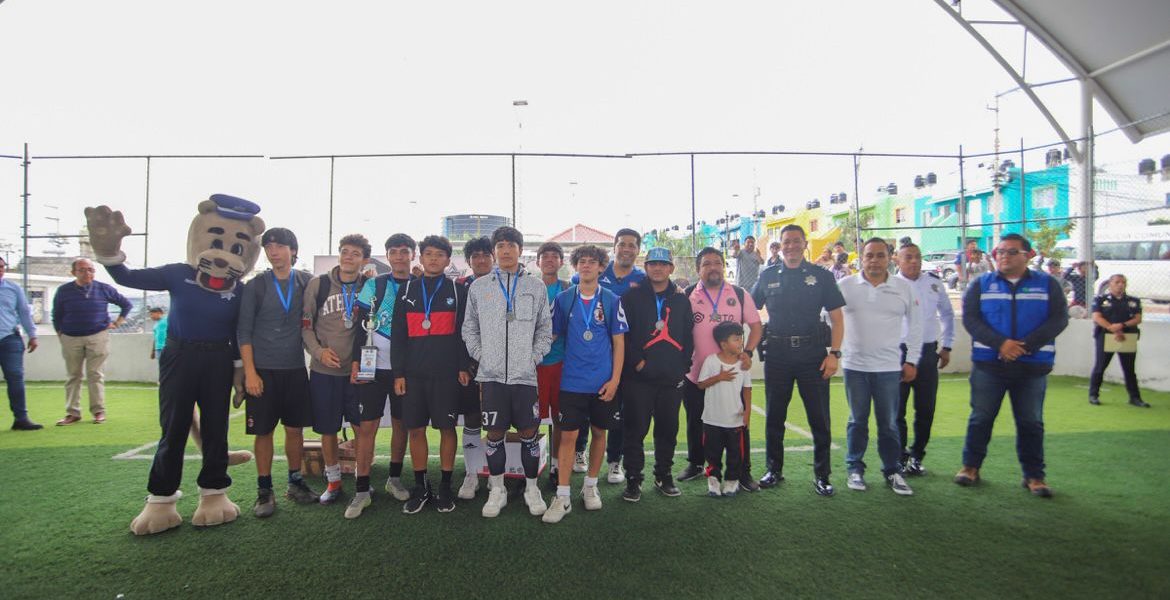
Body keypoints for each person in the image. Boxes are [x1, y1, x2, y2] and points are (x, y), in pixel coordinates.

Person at [956, 233, 1068, 498]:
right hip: (989, 366)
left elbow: (1058, 320)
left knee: (1031, 422)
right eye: (1000, 252)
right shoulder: (980, 284)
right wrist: (1001, 344)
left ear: (1027, 255)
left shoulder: (1047, 285)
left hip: (1032, 367)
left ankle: (1034, 476)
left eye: (1011, 252)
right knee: (980, 418)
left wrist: (1023, 347)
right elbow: (971, 320)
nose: (1004, 256)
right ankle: (970, 467)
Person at [462, 226, 553, 519]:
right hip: (491, 378)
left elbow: (545, 331)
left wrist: (532, 358)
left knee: (529, 433)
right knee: (495, 434)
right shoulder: (479, 287)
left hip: (525, 378)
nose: (505, 250)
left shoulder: (536, 287)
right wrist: (482, 356)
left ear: (519, 250)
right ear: (494, 251)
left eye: (511, 245)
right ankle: (497, 489)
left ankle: (531, 488)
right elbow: (469, 329)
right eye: (500, 245)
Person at [751, 224, 845, 496]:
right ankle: (773, 470)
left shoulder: (821, 276)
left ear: (805, 244)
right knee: (774, 418)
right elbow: (749, 308)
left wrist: (834, 354)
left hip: (812, 357)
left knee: (819, 419)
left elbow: (837, 319)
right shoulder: (767, 276)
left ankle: (823, 475)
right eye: (786, 242)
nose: (791, 246)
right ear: (780, 247)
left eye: (796, 241)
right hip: (778, 356)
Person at [236, 227, 318, 518]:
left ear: (293, 251)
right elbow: (243, 333)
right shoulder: (255, 285)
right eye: (269, 246)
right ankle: (264, 489)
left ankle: (295, 481)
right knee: (264, 432)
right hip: (263, 371)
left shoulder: (306, 282)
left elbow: (334, 291)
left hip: (295, 369)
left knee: (295, 430)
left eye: (280, 246)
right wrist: (250, 374)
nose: (274, 251)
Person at [543, 244, 628, 523]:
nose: (587, 266)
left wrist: (615, 380)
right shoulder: (566, 299)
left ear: (602, 267)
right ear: (576, 266)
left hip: (603, 383)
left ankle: (590, 487)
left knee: (599, 434)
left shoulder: (612, 299)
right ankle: (563, 495)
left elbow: (619, 342)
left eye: (593, 262)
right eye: (582, 261)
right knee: (568, 436)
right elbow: (551, 336)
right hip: (572, 382)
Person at [391, 235, 470, 515]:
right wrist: (398, 373)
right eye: (428, 254)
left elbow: (464, 334)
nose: (434, 259)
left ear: (449, 260)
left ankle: (446, 485)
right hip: (413, 375)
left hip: (446, 375)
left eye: (439, 254)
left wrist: (463, 367)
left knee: (447, 429)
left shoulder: (459, 292)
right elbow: (398, 336)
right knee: (415, 429)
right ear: (420, 258)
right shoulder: (406, 291)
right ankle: (421, 486)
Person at [837, 238, 921, 496]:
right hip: (855, 366)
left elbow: (916, 326)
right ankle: (855, 469)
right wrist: (834, 352)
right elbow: (829, 320)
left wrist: (911, 360)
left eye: (880, 255)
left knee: (889, 423)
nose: (874, 260)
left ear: (889, 258)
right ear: (861, 259)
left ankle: (892, 470)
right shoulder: (845, 286)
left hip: (888, 368)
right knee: (857, 421)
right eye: (869, 256)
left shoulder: (903, 288)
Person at [676, 247, 763, 492]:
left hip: (732, 377)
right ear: (698, 269)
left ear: (724, 266)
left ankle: (743, 472)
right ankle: (695, 463)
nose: (712, 267)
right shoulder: (688, 295)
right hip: (696, 374)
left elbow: (756, 328)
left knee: (738, 423)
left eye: (717, 262)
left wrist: (747, 353)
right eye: (706, 264)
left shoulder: (739, 293)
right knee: (696, 420)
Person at [619, 247, 693, 502]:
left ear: (671, 268)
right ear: (646, 266)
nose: (658, 268)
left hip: (671, 380)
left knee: (667, 430)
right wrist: (637, 363)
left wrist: (682, 367)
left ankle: (664, 475)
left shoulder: (681, 298)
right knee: (635, 430)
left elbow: (688, 334)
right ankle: (633, 479)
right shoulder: (631, 296)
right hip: (638, 379)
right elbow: (622, 336)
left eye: (663, 264)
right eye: (653, 264)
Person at [572, 228, 646, 484]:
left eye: (632, 245)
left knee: (618, 409)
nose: (626, 249)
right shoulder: (596, 272)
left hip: (626, 351)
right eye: (622, 244)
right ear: (614, 247)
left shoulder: (643, 278)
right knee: (584, 404)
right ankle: (580, 451)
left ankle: (615, 461)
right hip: (593, 353)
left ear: (638, 249)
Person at [301, 234, 370, 506]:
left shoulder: (368, 285)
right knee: (327, 429)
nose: (348, 257)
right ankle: (333, 481)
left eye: (355, 253)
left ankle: (362, 481)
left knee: (362, 429)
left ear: (364, 260)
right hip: (324, 371)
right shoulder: (318, 285)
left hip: (357, 373)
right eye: (344, 251)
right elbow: (305, 326)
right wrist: (318, 352)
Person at [350, 233, 415, 508]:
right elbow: (359, 325)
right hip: (372, 367)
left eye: (404, 251)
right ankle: (362, 489)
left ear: (413, 254)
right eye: (394, 252)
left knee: (402, 426)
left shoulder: (420, 285)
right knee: (367, 427)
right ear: (387, 256)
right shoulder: (374, 285)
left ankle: (394, 478)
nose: (399, 256)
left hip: (405, 369)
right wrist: (356, 361)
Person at [894, 243, 955, 476]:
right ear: (897, 260)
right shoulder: (890, 286)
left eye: (917, 257)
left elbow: (948, 314)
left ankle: (917, 456)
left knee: (926, 409)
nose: (914, 261)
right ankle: (899, 456)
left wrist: (947, 345)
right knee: (896, 410)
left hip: (927, 352)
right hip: (898, 352)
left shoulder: (933, 282)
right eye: (908, 257)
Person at [51, 257, 131, 425]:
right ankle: (72, 413)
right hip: (70, 337)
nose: (87, 273)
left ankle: (99, 411)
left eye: (91, 269)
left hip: (97, 336)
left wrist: (117, 322)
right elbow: (56, 314)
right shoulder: (64, 291)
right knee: (74, 375)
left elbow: (126, 304)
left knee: (95, 374)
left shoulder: (104, 289)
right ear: (73, 273)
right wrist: (60, 333)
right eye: (82, 270)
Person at [454, 236, 493, 499]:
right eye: (475, 256)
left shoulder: (505, 285)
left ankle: (493, 471)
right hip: (469, 364)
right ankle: (471, 473)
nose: (480, 260)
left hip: (500, 366)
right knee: (471, 417)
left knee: (496, 420)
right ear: (468, 260)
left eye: (485, 255)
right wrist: (462, 365)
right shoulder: (459, 288)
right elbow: (456, 331)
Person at [697, 321, 752, 498]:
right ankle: (713, 479)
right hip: (712, 419)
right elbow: (701, 384)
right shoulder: (711, 361)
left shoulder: (744, 364)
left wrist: (748, 411)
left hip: (734, 420)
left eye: (741, 339)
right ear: (723, 343)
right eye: (736, 339)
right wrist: (719, 377)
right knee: (712, 453)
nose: (740, 343)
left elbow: (747, 389)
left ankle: (731, 481)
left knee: (735, 454)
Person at [535, 241, 571, 492]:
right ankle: (531, 465)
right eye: (544, 256)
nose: (549, 260)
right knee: (531, 418)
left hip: (561, 363)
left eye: (554, 256)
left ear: (561, 262)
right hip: (533, 364)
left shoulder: (570, 290)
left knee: (560, 418)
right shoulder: (526, 287)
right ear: (537, 262)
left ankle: (557, 465)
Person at [1088, 274, 1148, 408]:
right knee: (1100, 366)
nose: (1120, 285)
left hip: (1127, 336)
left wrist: (1121, 326)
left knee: (1129, 369)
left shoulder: (1133, 301)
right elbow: (1097, 317)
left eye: (1123, 282)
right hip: (1106, 335)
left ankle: (1135, 398)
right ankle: (1093, 395)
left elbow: (1137, 318)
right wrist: (1112, 328)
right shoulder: (1100, 299)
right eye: (1117, 282)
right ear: (1110, 284)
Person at [0, 255, 41, 431]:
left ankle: (21, 418)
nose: (0, 269)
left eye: (2, 266)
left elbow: (24, 312)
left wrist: (32, 335)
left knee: (15, 376)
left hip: (9, 339)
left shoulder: (13, 288)